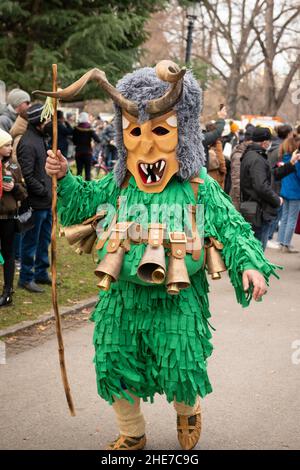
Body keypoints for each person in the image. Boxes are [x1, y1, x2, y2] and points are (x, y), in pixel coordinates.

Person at [43, 61, 277, 451]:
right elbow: (81, 203)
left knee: (181, 364)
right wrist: (65, 175)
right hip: (122, 298)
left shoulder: (199, 187)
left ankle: (188, 411)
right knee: (113, 360)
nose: (146, 145)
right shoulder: (119, 184)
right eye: (135, 131)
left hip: (177, 300)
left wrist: (250, 264)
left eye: (161, 131)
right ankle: (132, 432)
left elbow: (232, 229)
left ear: (182, 134)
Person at [17, 103, 52, 293]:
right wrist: (45, 191)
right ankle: (26, 277)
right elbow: (28, 177)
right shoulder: (28, 143)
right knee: (30, 241)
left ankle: (41, 273)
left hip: (46, 203)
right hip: (35, 204)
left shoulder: (41, 139)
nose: (50, 122)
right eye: (47, 119)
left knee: (44, 240)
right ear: (39, 122)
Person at [240, 127, 282, 251]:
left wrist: (290, 165)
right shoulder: (257, 159)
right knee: (257, 251)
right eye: (269, 141)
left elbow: (267, 176)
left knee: (253, 249)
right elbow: (261, 186)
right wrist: (276, 200)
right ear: (265, 142)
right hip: (259, 211)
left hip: (253, 208)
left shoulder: (251, 155)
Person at [0, 129, 27, 306]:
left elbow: (24, 193)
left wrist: (14, 188)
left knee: (8, 253)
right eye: (7, 145)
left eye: (10, 145)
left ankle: (8, 291)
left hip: (7, 217)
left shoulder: (14, 166)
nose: (10, 148)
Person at [267, 124, 293, 248]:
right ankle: (270, 237)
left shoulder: (274, 145)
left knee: (280, 212)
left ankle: (271, 237)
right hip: (277, 182)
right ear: (288, 134)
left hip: (274, 181)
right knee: (277, 211)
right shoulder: (281, 148)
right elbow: (278, 167)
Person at [277, 136, 300, 253]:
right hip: (295, 192)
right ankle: (286, 244)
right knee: (292, 219)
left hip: (285, 191)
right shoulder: (297, 161)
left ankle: (281, 242)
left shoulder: (285, 158)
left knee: (285, 218)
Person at [229, 124, 254, 211]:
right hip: (238, 200)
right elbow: (237, 180)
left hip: (244, 198)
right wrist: (242, 201)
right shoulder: (239, 155)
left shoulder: (248, 151)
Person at [73, 112, 100, 180]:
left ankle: (78, 188)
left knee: (79, 172)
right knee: (87, 173)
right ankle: (87, 189)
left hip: (78, 152)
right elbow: (98, 140)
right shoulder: (90, 128)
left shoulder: (76, 128)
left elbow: (74, 141)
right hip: (88, 152)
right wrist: (92, 142)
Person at [206, 122, 226, 188]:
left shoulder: (205, 139)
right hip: (215, 173)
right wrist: (223, 170)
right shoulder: (217, 142)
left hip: (206, 171)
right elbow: (221, 158)